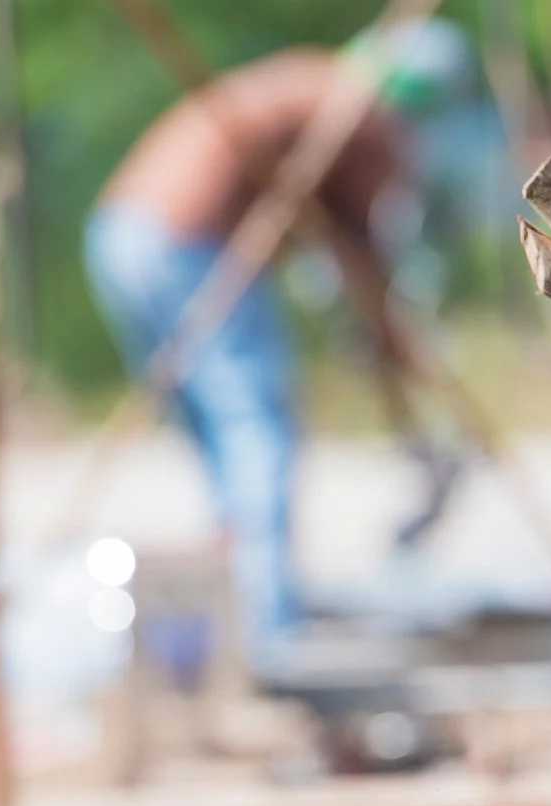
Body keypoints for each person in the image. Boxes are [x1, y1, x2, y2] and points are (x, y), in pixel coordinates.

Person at [84, 23, 472, 682]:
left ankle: (237, 609)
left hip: (121, 236)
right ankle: (269, 633)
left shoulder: (315, 87)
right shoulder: (363, 116)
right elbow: (363, 255)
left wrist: (384, 343)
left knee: (220, 442)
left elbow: (346, 251)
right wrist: (400, 356)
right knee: (256, 426)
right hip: (188, 242)